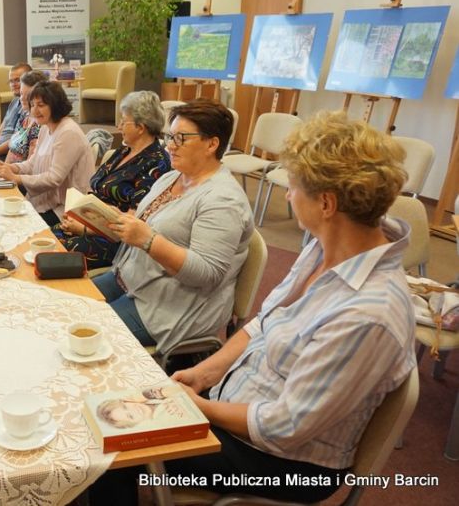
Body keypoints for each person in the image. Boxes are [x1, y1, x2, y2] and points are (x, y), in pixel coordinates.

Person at [161, 112, 415, 502]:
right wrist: (204, 373)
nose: (287, 195)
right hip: (240, 414)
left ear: (326, 203)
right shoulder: (324, 247)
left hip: (284, 465)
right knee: (125, 417)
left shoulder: (369, 314)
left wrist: (200, 409)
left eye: (293, 187)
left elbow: (285, 425)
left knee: (124, 446)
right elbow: (265, 322)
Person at [91, 99, 253, 354]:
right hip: (131, 277)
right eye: (169, 137)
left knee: (84, 332)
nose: (169, 146)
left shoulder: (223, 201)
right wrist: (116, 218)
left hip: (172, 306)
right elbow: (150, 223)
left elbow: (206, 273)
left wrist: (148, 240)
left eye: (181, 138)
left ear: (212, 144)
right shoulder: (172, 177)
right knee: (69, 304)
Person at [53, 91, 171, 269]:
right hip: (89, 225)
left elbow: (132, 222)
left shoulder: (157, 163)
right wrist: (76, 215)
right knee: (43, 237)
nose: (118, 126)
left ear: (141, 127)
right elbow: (95, 187)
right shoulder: (125, 150)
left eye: (124, 121)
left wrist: (83, 228)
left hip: (114, 240)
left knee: (53, 254)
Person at [0, 81, 95, 226]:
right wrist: (9, 167)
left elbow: (54, 178)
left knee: (13, 223)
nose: (35, 110)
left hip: (67, 208)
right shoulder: (45, 127)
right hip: (49, 201)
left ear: (55, 105)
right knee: (1, 211)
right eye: (33, 105)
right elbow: (33, 163)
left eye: (41, 105)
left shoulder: (68, 132)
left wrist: (16, 178)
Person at [0, 62, 32, 158]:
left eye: (17, 80)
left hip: (8, 154)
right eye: (11, 81)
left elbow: (17, 139)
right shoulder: (14, 102)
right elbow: (0, 130)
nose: (13, 84)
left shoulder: (29, 107)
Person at [4, 70, 49, 164]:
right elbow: (12, 149)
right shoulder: (25, 115)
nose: (22, 98)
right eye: (21, 94)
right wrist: (2, 167)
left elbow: (30, 167)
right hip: (9, 171)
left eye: (28, 95)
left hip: (19, 176)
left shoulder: (39, 126)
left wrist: (6, 173)